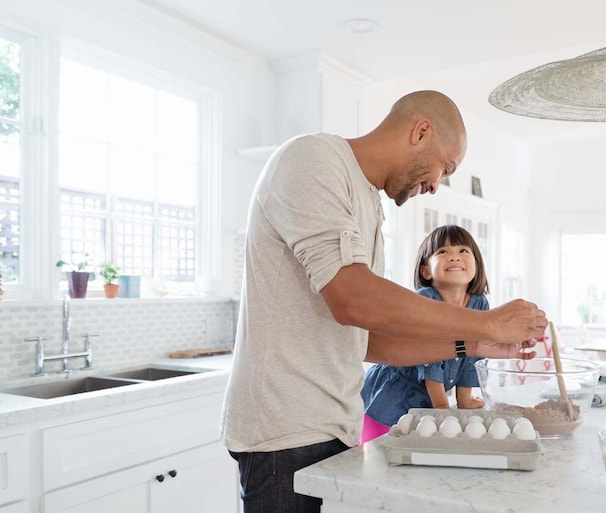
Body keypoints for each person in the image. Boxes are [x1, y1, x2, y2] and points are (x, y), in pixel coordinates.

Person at [222, 90, 548, 513]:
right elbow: (352, 299)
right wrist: (487, 324)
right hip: (283, 431)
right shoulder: (313, 160)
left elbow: (372, 342)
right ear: (421, 131)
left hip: (333, 426)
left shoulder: (369, 205)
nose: (435, 185)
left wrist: (474, 346)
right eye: (443, 168)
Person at [360, 225, 490, 443]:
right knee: (381, 451)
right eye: (443, 252)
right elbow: (429, 358)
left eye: (463, 251)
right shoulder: (425, 301)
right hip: (393, 391)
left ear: (476, 263)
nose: (454, 257)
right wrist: (441, 406)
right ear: (426, 271)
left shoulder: (479, 304)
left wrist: (464, 398)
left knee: (417, 451)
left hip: (429, 396)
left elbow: (473, 353)